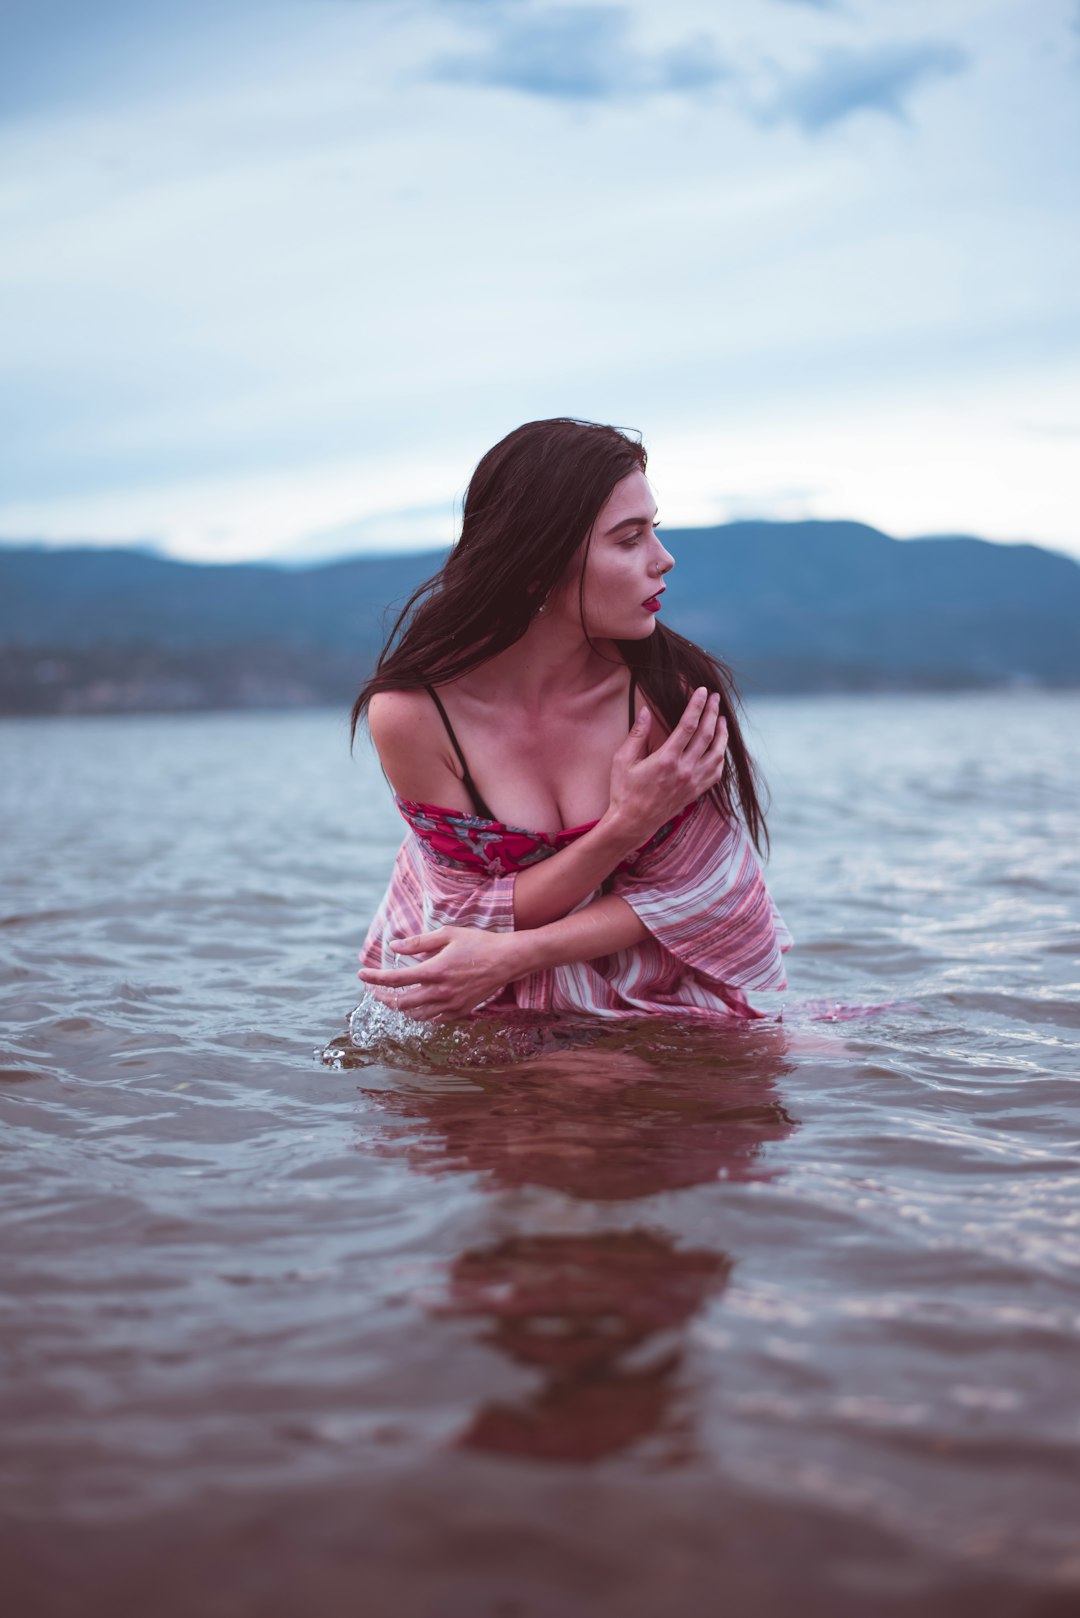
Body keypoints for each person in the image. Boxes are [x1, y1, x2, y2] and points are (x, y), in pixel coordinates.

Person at [352, 417, 791, 1024]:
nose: (664, 560)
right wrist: (624, 827)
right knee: (579, 1083)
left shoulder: (666, 694)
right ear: (537, 563)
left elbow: (711, 893)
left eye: (653, 531)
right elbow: (464, 920)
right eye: (629, 539)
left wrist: (521, 953)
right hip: (479, 999)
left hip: (655, 995)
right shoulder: (416, 715)